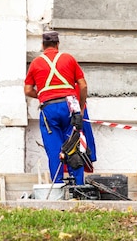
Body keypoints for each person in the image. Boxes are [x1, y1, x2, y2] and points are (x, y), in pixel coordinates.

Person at [24, 30, 88, 184]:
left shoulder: (36, 63)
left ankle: (58, 186)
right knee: (74, 146)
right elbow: (83, 85)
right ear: (57, 44)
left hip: (49, 109)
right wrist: (80, 106)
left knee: (54, 150)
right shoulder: (68, 59)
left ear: (42, 45)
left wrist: (43, 95)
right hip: (70, 107)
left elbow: (27, 90)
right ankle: (79, 187)